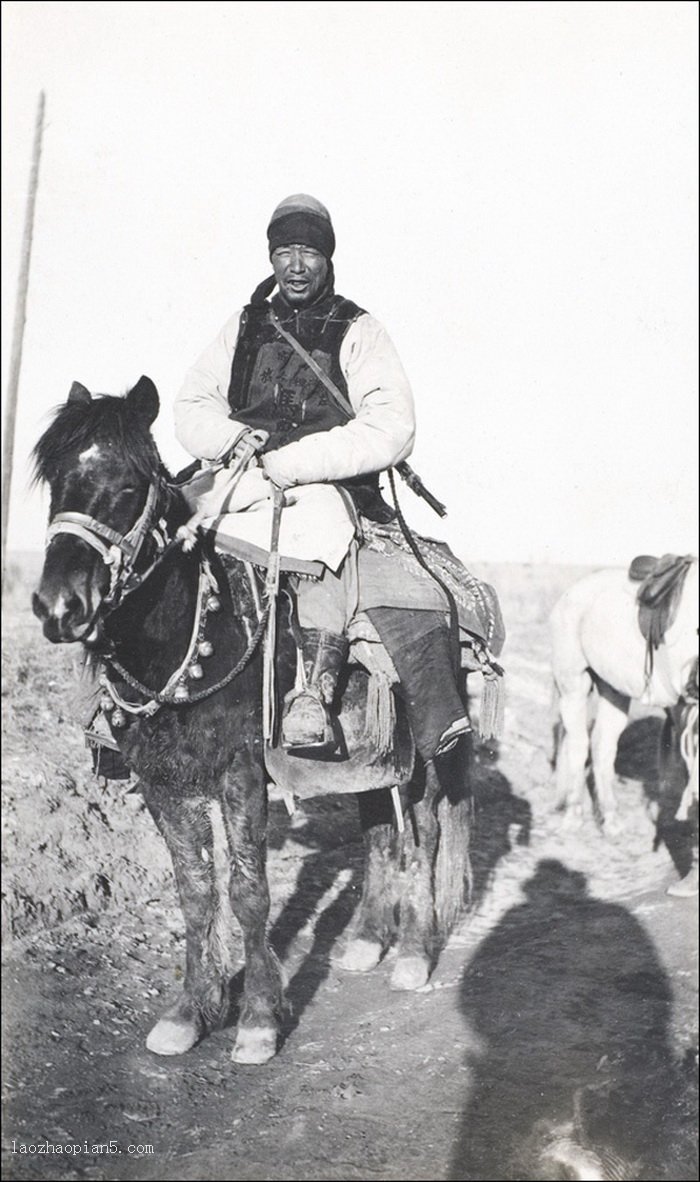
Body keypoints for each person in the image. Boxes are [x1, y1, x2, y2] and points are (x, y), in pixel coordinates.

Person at [174, 194, 474, 757]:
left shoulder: (358, 328)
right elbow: (193, 401)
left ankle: (312, 692)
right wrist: (231, 439)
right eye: (284, 250)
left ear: (327, 259)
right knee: (155, 526)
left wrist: (295, 463)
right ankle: (126, 701)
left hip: (320, 485)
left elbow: (392, 424)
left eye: (308, 251)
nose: (295, 264)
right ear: (270, 257)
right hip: (237, 473)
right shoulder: (243, 325)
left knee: (319, 539)